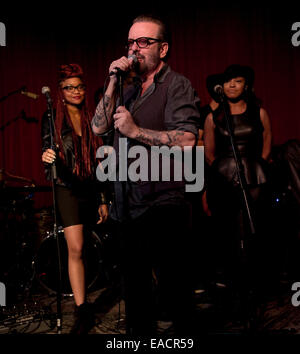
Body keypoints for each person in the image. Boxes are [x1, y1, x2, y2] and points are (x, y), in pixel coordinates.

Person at [92, 15, 200, 335]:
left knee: (174, 293)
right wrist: (113, 79)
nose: (134, 49)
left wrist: (136, 131)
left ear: (162, 49)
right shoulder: (127, 91)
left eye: (143, 42)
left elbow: (187, 140)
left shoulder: (176, 85)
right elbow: (98, 126)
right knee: (136, 295)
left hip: (164, 202)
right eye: (130, 42)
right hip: (129, 204)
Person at [41, 63, 109, 334]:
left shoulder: (93, 118)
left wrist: (103, 197)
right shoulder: (52, 117)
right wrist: (47, 157)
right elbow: (47, 149)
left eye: (80, 86)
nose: (76, 91)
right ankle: (82, 309)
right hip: (65, 186)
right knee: (76, 248)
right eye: (70, 87)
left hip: (90, 186)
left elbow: (100, 160)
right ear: (61, 91)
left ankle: (89, 299)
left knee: (94, 246)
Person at [203, 64, 272, 322]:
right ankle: (233, 293)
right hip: (224, 179)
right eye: (228, 81)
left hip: (255, 178)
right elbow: (209, 152)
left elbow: (267, 141)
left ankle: (253, 294)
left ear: (247, 85)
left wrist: (258, 166)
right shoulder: (214, 117)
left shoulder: (259, 112)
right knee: (228, 237)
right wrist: (222, 174)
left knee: (253, 236)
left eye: (238, 81)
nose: (232, 85)